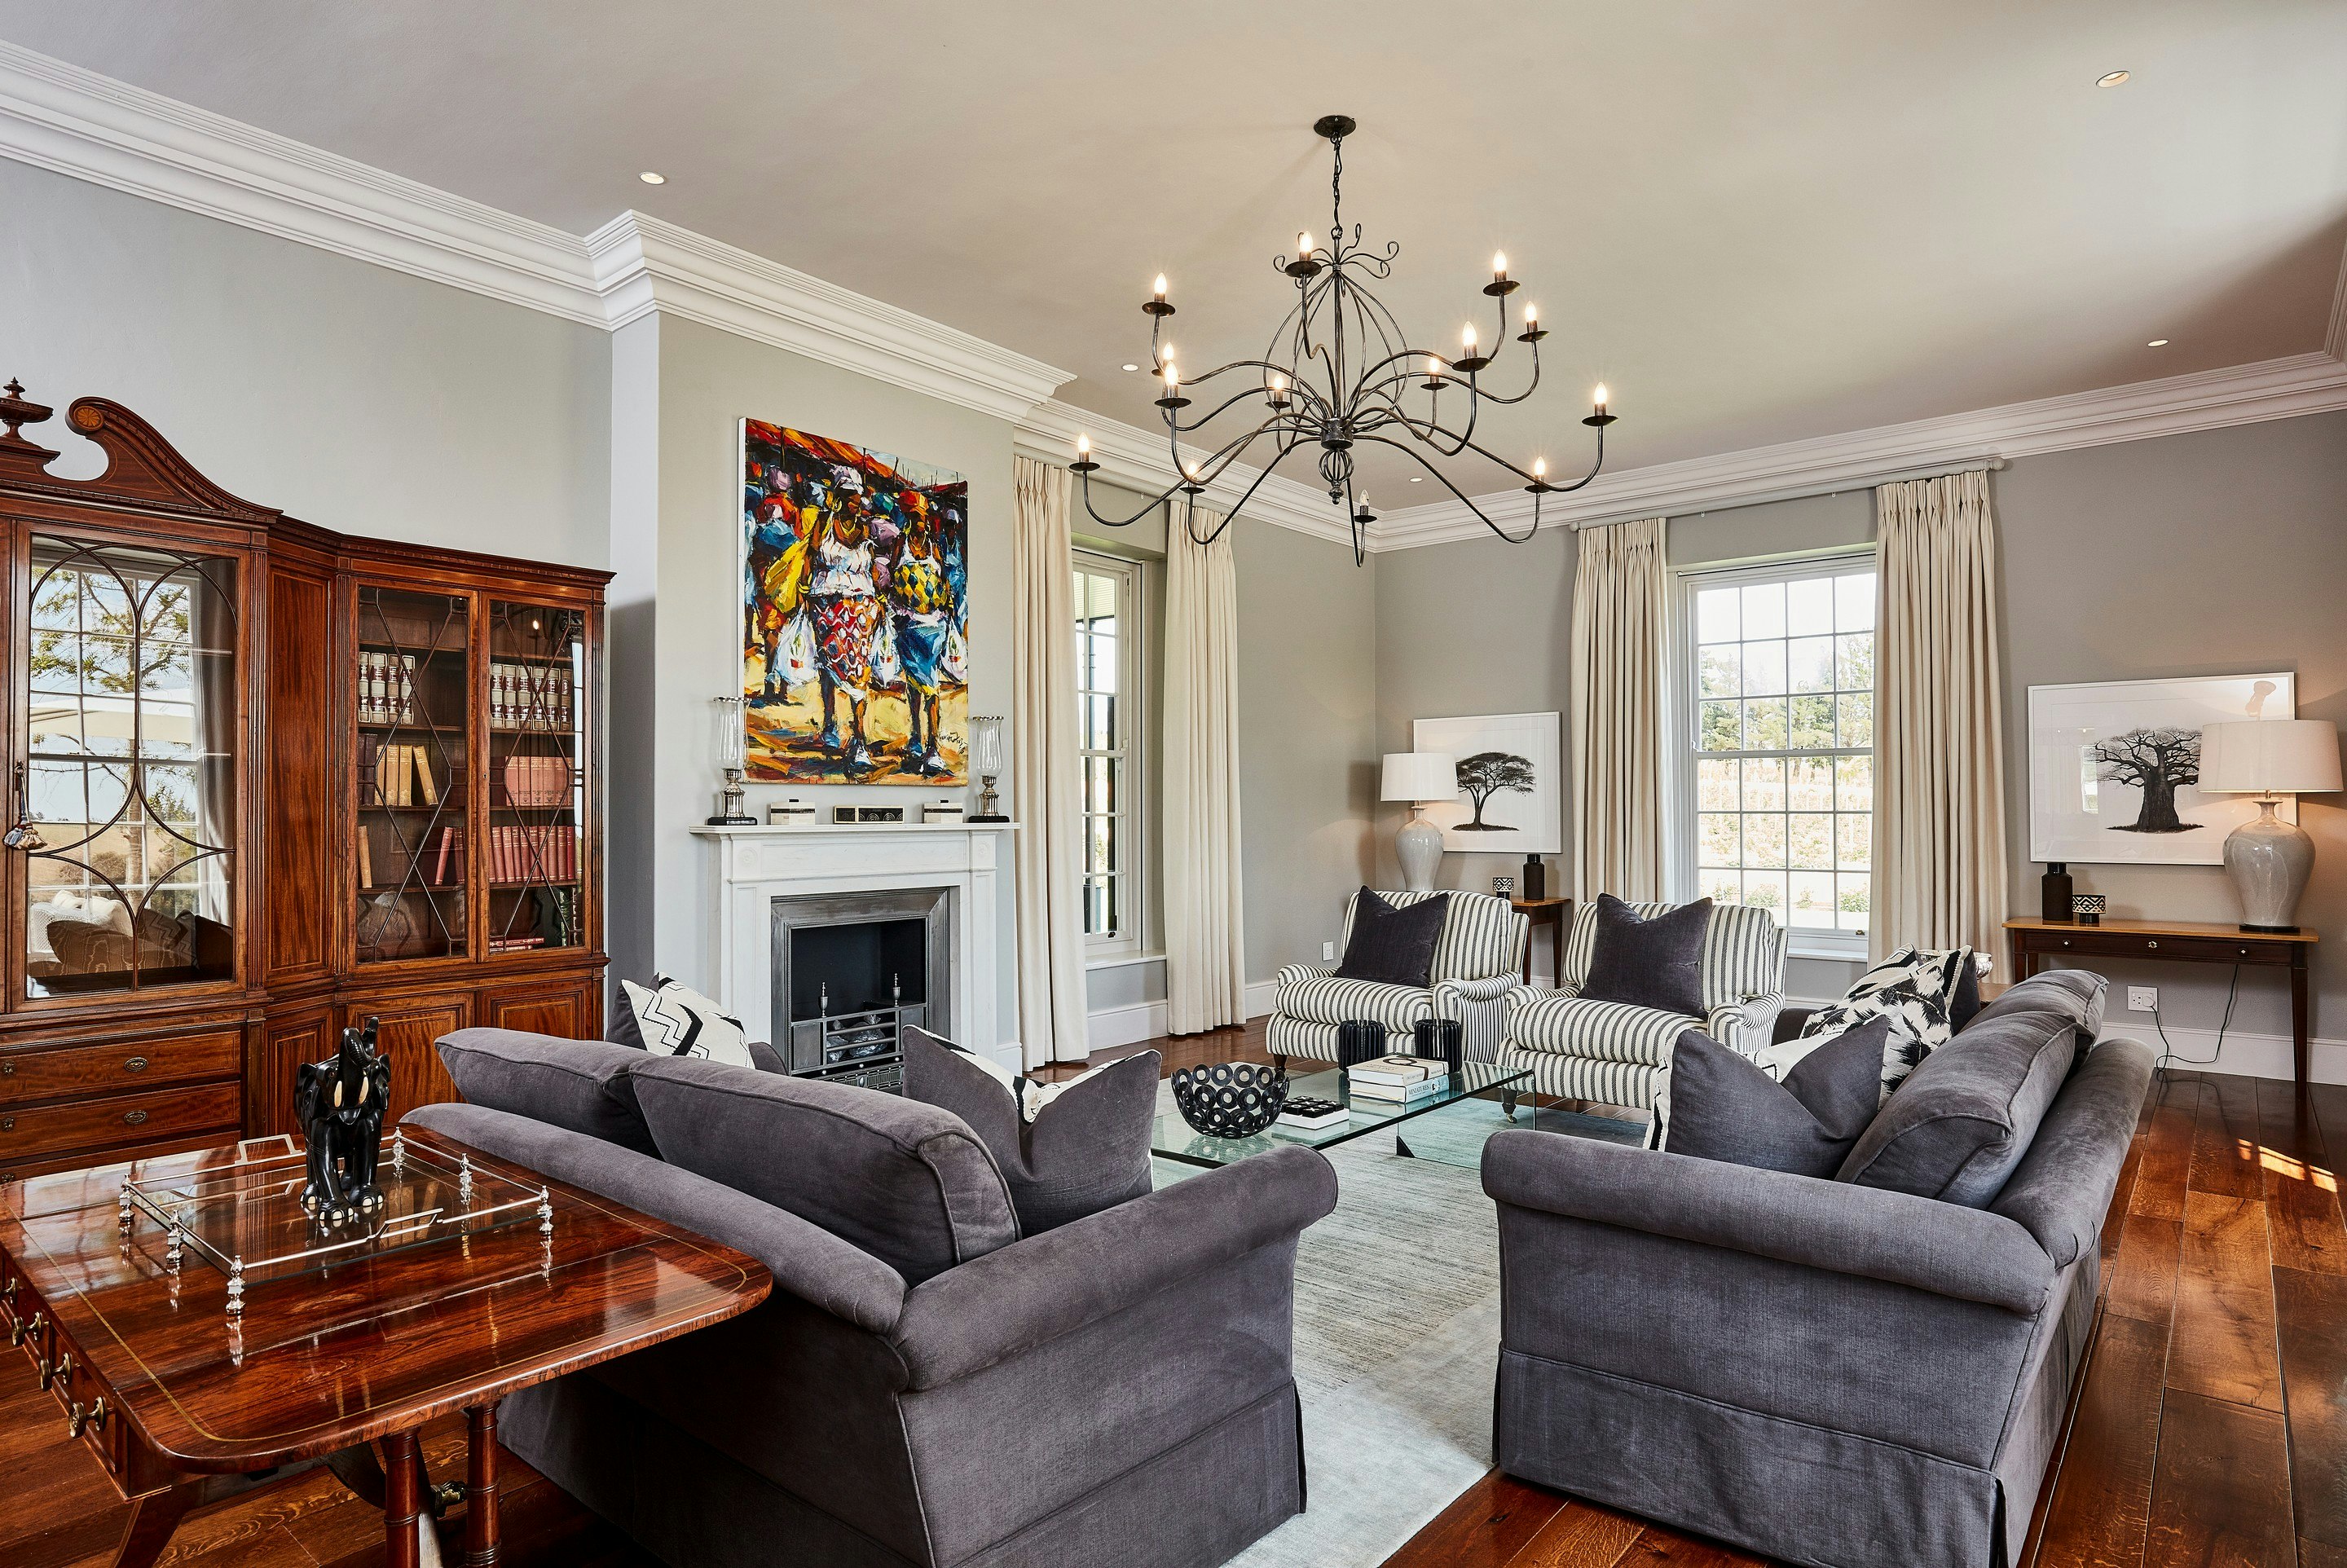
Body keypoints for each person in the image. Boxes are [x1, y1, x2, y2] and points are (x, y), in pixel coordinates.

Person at [805, 465, 883, 775]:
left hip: (861, 608)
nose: (855, 504)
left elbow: (872, 571)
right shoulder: (824, 523)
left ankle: (859, 739)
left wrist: (878, 600)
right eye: (851, 498)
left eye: (857, 499)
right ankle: (829, 724)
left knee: (859, 673)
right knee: (829, 667)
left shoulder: (865, 531)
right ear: (840, 497)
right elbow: (810, 559)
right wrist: (804, 594)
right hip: (827, 605)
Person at [886, 491, 956, 777]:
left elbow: (943, 581)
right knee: (915, 687)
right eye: (915, 517)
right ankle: (916, 735)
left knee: (932, 688)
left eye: (923, 518)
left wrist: (945, 603)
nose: (920, 522)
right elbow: (892, 578)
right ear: (908, 518)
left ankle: (933, 746)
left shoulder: (933, 546)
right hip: (909, 626)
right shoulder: (900, 544)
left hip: (933, 626)